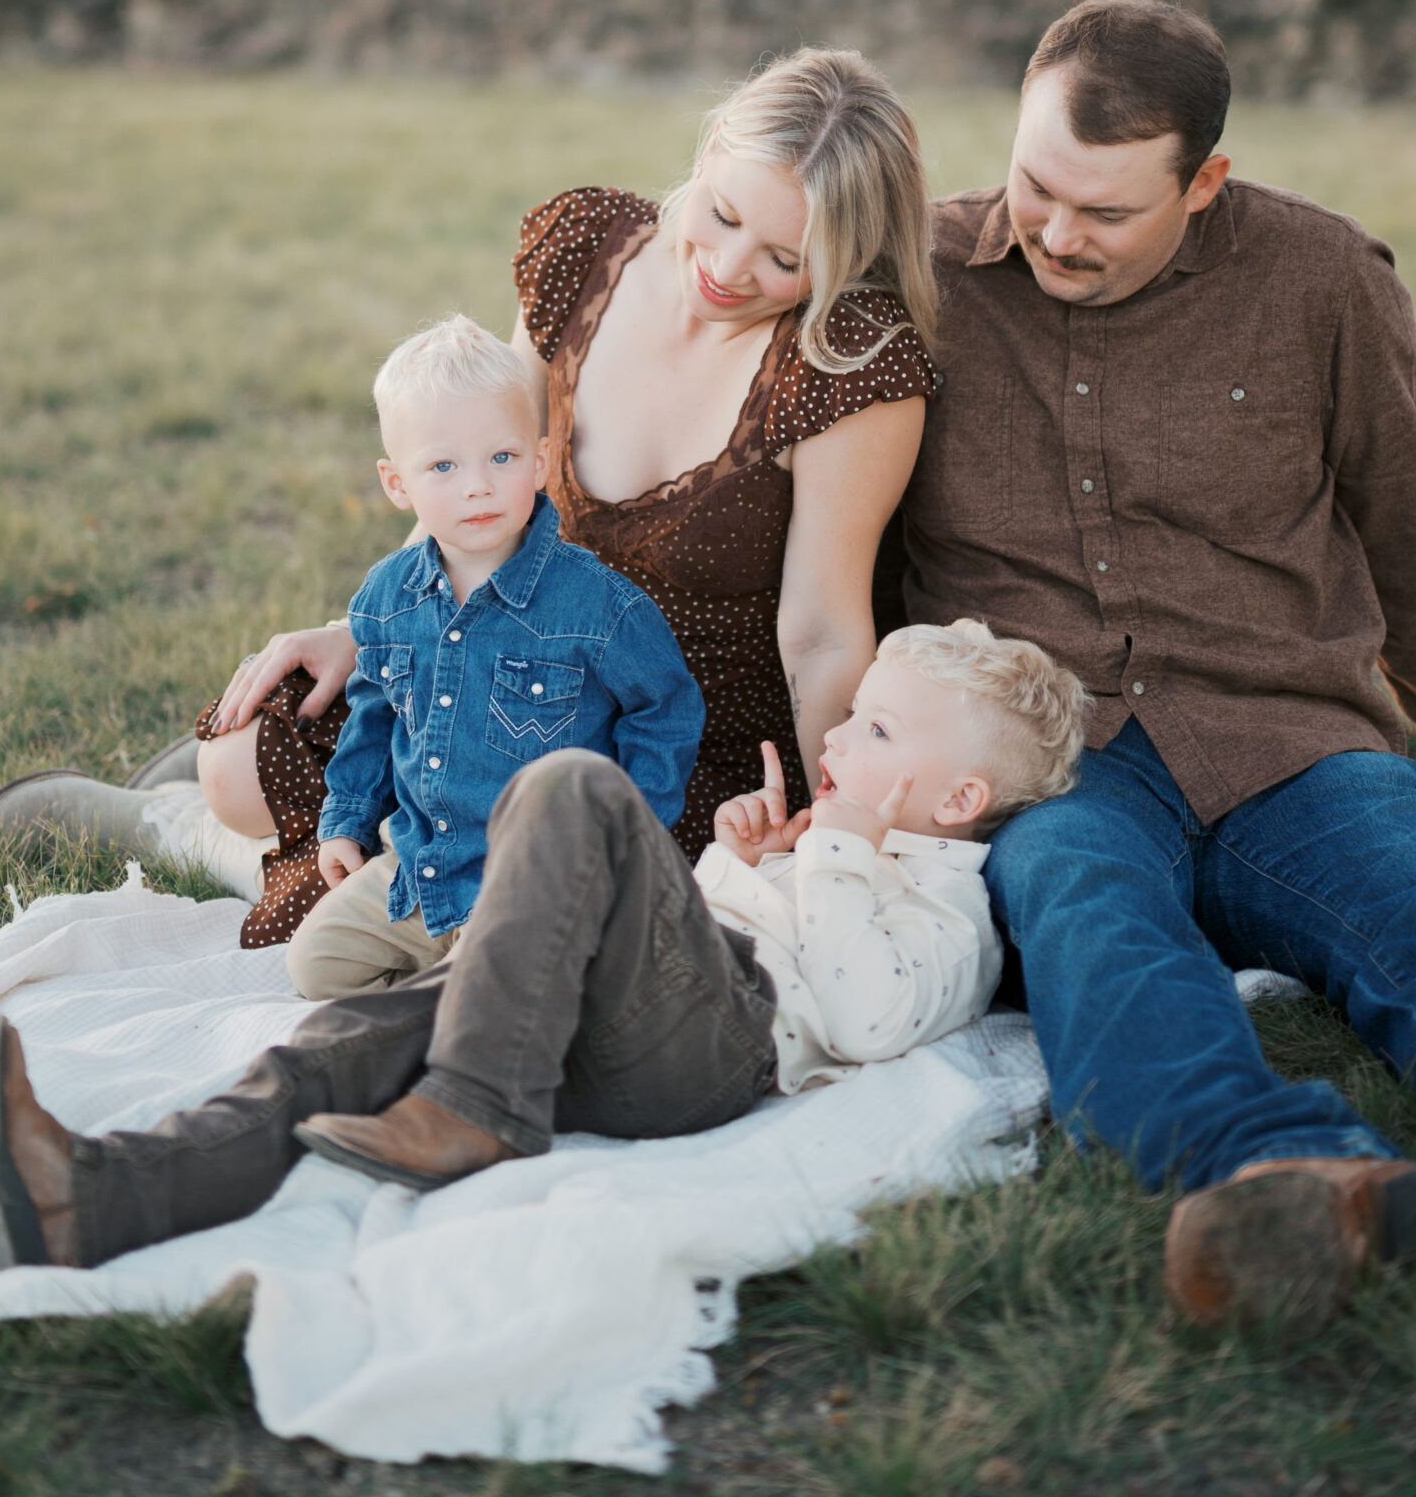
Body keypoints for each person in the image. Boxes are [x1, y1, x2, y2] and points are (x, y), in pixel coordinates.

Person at [891, 0, 1416, 1335]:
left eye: (1104, 210)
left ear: (1202, 181)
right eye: (1035, 187)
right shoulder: (906, 273)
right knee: (1082, 917)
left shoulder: (1322, 281)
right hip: (1047, 755)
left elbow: (1407, 534)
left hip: (1286, 734)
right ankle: (1281, 1176)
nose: (1054, 233)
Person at [0, 621, 1086, 1272]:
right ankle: (101, 1192)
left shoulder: (951, 911)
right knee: (350, 1041)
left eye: (875, 731)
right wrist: (749, 859)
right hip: (613, 1019)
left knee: (573, 788)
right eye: (852, 714)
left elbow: (865, 1016)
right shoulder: (831, 845)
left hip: (711, 1052)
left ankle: (480, 1102)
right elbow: (703, 930)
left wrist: (832, 855)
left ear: (957, 798)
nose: (835, 735)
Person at [179, 46, 942, 940]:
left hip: (677, 732)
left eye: (783, 257)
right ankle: (289, 842)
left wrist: (827, 833)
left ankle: (370, 867)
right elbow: (483, 468)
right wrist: (378, 630)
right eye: (721, 213)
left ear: (847, 259)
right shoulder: (586, 250)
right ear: (702, 160)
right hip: (504, 655)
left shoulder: (848, 360)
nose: (728, 268)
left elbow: (820, 635)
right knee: (237, 761)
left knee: (564, 900)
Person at [287, 313, 703, 1000]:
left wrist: (629, 836)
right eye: (443, 466)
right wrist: (345, 824)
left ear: (539, 462)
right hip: (421, 865)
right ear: (398, 485)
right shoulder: (387, 597)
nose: (476, 485)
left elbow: (664, 709)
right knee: (315, 968)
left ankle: (467, 990)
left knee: (502, 987)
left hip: (534, 881)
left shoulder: (598, 606)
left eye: (500, 458)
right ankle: (442, 981)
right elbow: (372, 715)